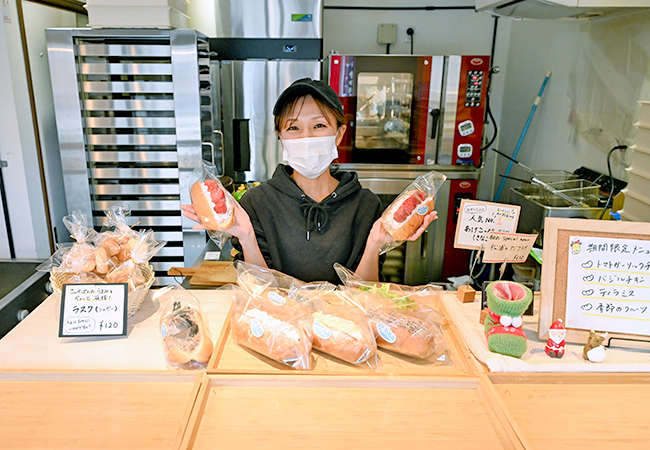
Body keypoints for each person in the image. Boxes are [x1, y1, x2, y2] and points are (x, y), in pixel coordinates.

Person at [181, 78, 437, 284]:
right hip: (281, 334)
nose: (306, 137)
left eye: (318, 126)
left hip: (344, 332)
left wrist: (375, 243)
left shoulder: (366, 205)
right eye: (293, 128)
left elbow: (364, 295)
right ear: (281, 138)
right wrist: (246, 235)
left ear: (339, 134)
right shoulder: (257, 203)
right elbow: (259, 293)